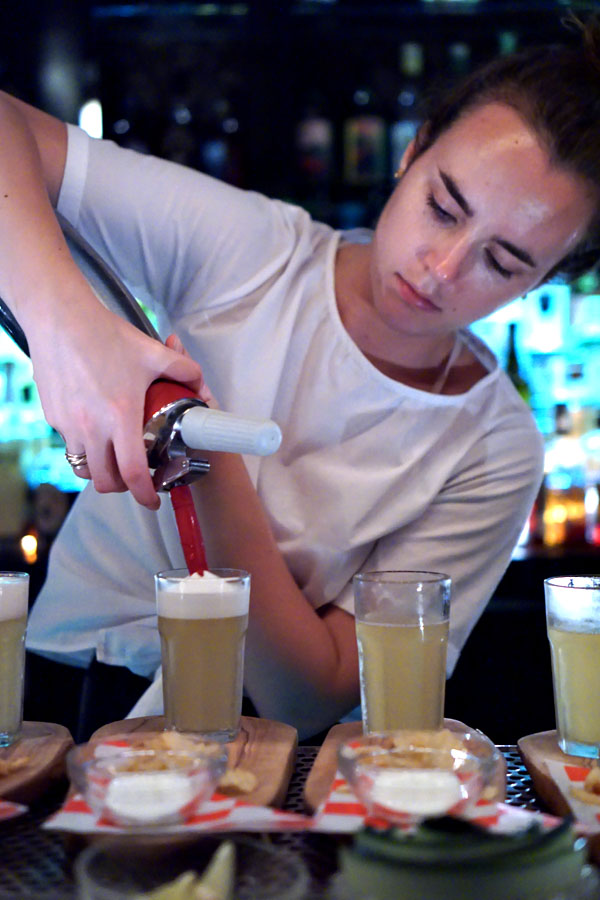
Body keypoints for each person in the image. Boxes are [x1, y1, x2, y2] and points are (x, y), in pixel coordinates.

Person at [2, 13, 600, 741]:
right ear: (410, 154)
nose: (441, 269)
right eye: (443, 207)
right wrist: (67, 323)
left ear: (542, 280)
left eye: (502, 262)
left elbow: (307, 695)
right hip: (70, 690)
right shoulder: (254, 250)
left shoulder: (496, 447)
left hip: (270, 749)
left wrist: (204, 454)